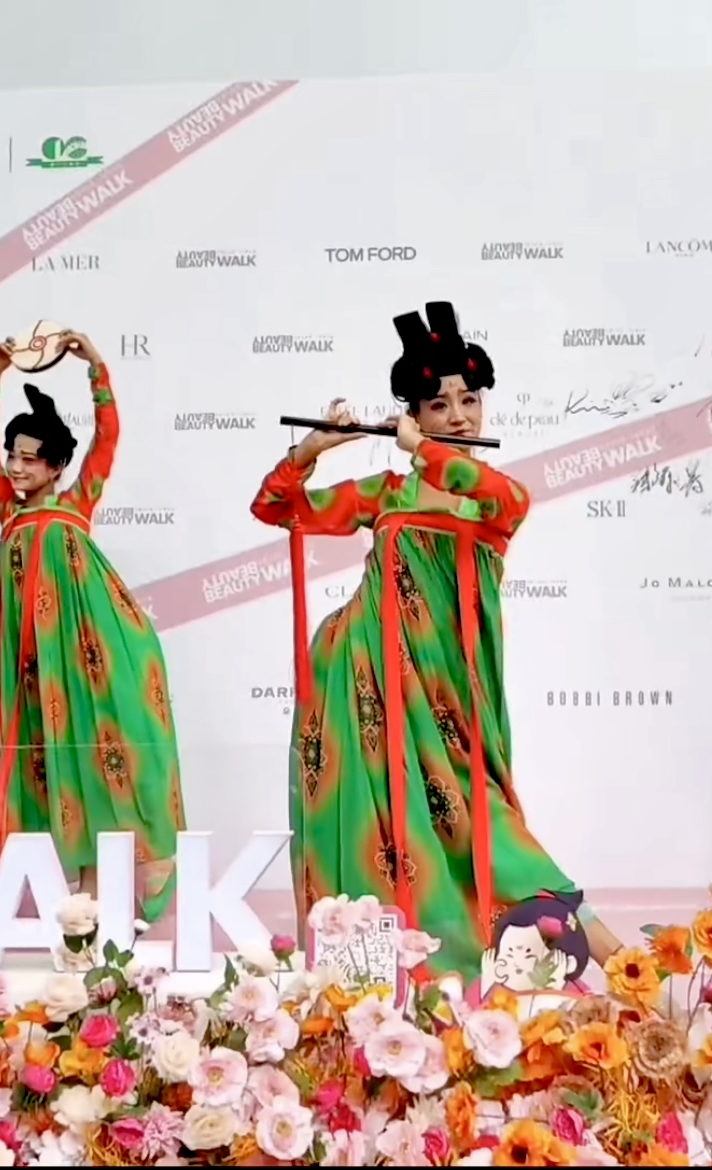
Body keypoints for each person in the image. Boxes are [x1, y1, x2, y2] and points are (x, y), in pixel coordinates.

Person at [250, 300, 622, 978]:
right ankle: (374, 967)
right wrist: (312, 450)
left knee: (482, 817)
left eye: (469, 400)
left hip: (447, 689)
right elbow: (276, 508)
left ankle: (617, 959)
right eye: (438, 404)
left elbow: (502, 495)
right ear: (413, 414)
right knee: (378, 823)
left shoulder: (491, 498)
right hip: (364, 677)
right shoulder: (387, 493)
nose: (458, 416)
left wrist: (423, 451)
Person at [0, 333, 184, 920]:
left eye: (30, 459)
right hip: (25, 660)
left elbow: (106, 436)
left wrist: (95, 366)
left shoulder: (76, 503)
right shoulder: (8, 509)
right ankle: (71, 891)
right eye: (14, 455)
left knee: (100, 749)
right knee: (37, 754)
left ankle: (119, 880)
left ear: (58, 466)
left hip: (83, 649)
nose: (16, 467)